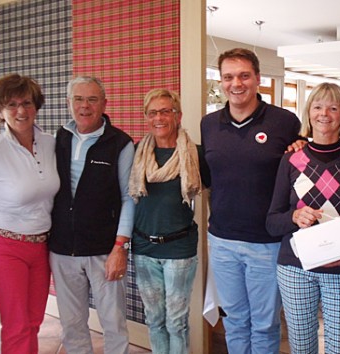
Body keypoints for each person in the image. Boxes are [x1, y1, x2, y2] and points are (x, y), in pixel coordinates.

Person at [200, 47, 302, 353]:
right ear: (221, 81)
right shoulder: (209, 124)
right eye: (228, 77)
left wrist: (300, 146)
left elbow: (299, 169)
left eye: (244, 75)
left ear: (257, 78)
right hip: (222, 242)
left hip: (267, 244)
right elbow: (208, 178)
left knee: (264, 325)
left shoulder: (284, 122)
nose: (236, 83)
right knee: (234, 320)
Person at [266, 83, 340, 353]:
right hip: (295, 268)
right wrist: (295, 216)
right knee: (302, 347)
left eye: (333, 107)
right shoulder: (291, 160)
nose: (325, 113)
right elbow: (272, 221)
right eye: (318, 106)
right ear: (309, 112)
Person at [49, 76, 134, 354]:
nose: (85, 106)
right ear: (68, 103)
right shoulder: (56, 140)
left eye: (92, 99)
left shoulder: (120, 143)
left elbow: (128, 198)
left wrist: (120, 246)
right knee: (72, 325)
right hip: (62, 250)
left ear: (104, 104)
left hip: (103, 250)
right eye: (78, 99)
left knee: (113, 323)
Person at [129, 88, 209, 354]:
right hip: (143, 248)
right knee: (154, 320)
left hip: (179, 249)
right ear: (146, 117)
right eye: (152, 112)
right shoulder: (136, 153)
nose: (159, 118)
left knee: (176, 322)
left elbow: (222, 188)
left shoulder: (195, 154)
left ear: (178, 116)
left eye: (165, 111)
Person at [0, 74, 60, 353]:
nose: (21, 111)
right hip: (5, 248)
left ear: (36, 106)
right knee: (17, 324)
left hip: (41, 246)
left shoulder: (51, 143)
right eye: (11, 104)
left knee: (33, 321)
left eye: (27, 103)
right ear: (0, 110)